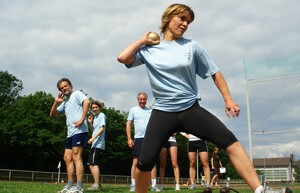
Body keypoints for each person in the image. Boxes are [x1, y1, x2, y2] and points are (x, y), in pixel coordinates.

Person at [117, 3, 264, 193]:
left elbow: (215, 72)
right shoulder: (149, 49)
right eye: (182, 18)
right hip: (163, 112)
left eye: (188, 21)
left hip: (190, 110)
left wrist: (228, 99)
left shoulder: (192, 46)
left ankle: (260, 190)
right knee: (144, 163)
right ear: (169, 18)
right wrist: (143, 40)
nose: (186, 24)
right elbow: (122, 57)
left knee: (230, 142)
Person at [50, 78, 90, 193]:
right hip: (70, 133)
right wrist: (56, 102)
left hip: (79, 130)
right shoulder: (65, 102)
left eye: (65, 86)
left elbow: (86, 102)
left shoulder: (77, 94)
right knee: (67, 158)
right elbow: (52, 114)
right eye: (62, 88)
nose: (64, 89)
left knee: (76, 156)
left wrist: (82, 119)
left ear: (70, 86)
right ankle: (70, 185)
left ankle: (79, 187)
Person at [126, 92, 160, 192]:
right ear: (138, 100)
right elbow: (128, 124)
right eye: (140, 99)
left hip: (150, 139)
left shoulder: (151, 111)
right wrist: (129, 138)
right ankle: (133, 184)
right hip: (138, 138)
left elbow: (156, 124)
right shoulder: (133, 110)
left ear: (146, 100)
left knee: (152, 162)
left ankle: (153, 185)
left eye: (144, 99)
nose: (142, 101)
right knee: (136, 162)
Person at [87, 101, 106, 191]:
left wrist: (93, 138)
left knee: (94, 163)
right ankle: (97, 183)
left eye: (96, 107)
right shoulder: (95, 117)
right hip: (94, 143)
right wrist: (90, 123)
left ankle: (97, 184)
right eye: (93, 108)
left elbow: (103, 128)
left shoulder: (102, 115)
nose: (94, 109)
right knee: (90, 164)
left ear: (99, 107)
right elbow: (93, 130)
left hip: (99, 143)